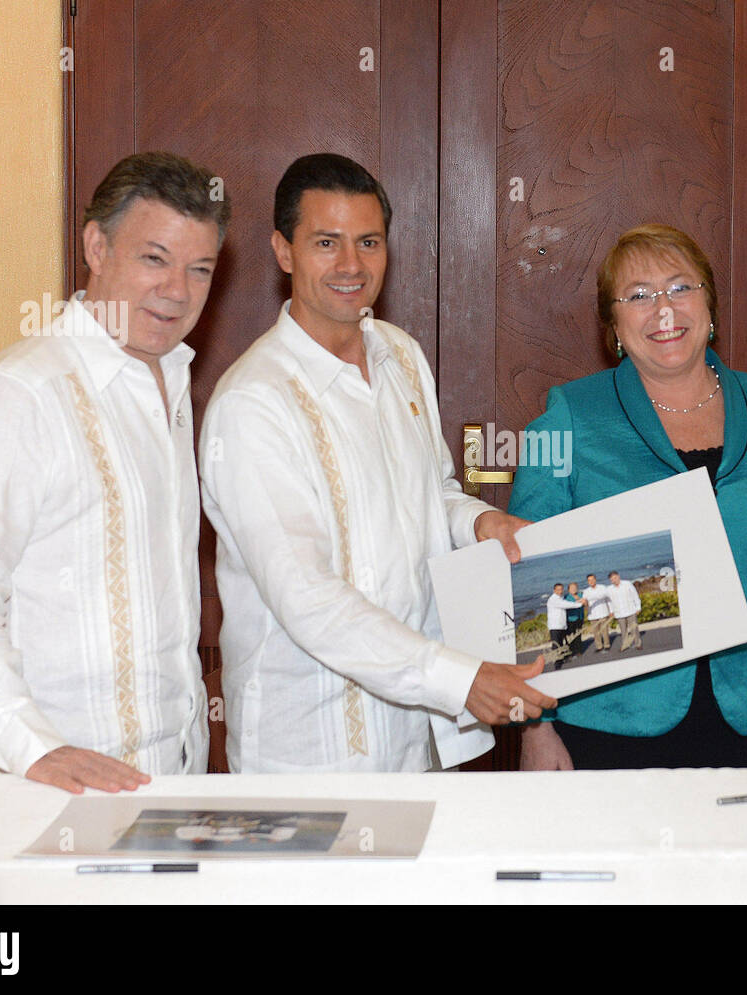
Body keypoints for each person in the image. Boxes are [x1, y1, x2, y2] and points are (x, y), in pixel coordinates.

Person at [200, 153, 554, 773]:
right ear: (283, 251)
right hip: (306, 753)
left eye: (368, 242)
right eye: (326, 242)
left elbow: (433, 489)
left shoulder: (400, 354)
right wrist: (459, 678)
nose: (350, 265)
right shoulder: (252, 403)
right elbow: (306, 594)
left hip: (411, 736)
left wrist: (478, 523)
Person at [0, 152, 230, 792]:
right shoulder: (23, 392)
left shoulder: (169, 385)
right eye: (154, 259)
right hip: (51, 794)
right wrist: (33, 748)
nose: (177, 290)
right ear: (96, 246)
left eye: (200, 269)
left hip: (170, 780)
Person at [509, 223, 747, 770]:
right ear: (612, 325)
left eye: (681, 288)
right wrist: (537, 727)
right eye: (638, 296)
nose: (664, 310)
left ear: (710, 305)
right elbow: (529, 586)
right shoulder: (570, 415)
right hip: (608, 717)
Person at [544, 582, 583, 668]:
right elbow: (566, 605)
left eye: (561, 589)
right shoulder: (553, 599)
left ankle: (561, 658)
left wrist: (578, 601)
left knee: (561, 643)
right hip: (555, 626)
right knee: (556, 645)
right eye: (558, 589)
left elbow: (566, 603)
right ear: (554, 590)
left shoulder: (561, 598)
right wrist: (580, 603)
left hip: (561, 625)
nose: (560, 591)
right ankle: (557, 663)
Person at [606, 570, 643, 651]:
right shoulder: (609, 589)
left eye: (615, 578)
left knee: (634, 629)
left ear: (618, 576)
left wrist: (638, 607)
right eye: (612, 579)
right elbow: (609, 601)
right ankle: (625, 645)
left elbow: (635, 595)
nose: (614, 580)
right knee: (623, 631)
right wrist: (611, 611)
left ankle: (638, 644)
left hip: (631, 610)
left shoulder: (627, 584)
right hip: (619, 613)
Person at [582, 574, 614, 651]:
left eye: (592, 579)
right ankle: (599, 646)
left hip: (603, 612)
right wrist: (584, 603)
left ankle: (607, 645)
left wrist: (611, 610)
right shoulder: (586, 591)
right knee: (596, 632)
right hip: (592, 614)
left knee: (605, 630)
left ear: (595, 579)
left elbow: (608, 599)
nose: (591, 581)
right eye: (589, 580)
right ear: (588, 582)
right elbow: (585, 603)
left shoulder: (602, 587)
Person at [564, 581, 587, 657]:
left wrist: (583, 602)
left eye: (575, 588)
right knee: (571, 636)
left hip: (580, 617)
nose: (574, 589)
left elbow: (585, 604)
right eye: (572, 588)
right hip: (571, 619)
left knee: (578, 635)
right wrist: (579, 602)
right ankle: (571, 651)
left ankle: (579, 650)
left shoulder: (581, 595)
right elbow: (568, 606)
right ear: (569, 589)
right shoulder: (566, 597)